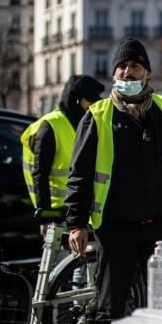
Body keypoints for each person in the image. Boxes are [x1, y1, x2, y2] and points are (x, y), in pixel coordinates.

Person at [64, 37, 162, 324]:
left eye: (135, 65)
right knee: (109, 311)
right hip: (117, 230)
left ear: (147, 73)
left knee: (160, 308)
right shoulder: (97, 115)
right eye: (122, 66)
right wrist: (76, 223)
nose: (128, 71)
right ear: (114, 73)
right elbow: (80, 175)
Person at [21, 75, 105, 235]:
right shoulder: (51, 125)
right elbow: (40, 174)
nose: (93, 105)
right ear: (76, 100)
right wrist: (45, 216)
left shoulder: (85, 124)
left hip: (80, 210)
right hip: (58, 215)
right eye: (90, 101)